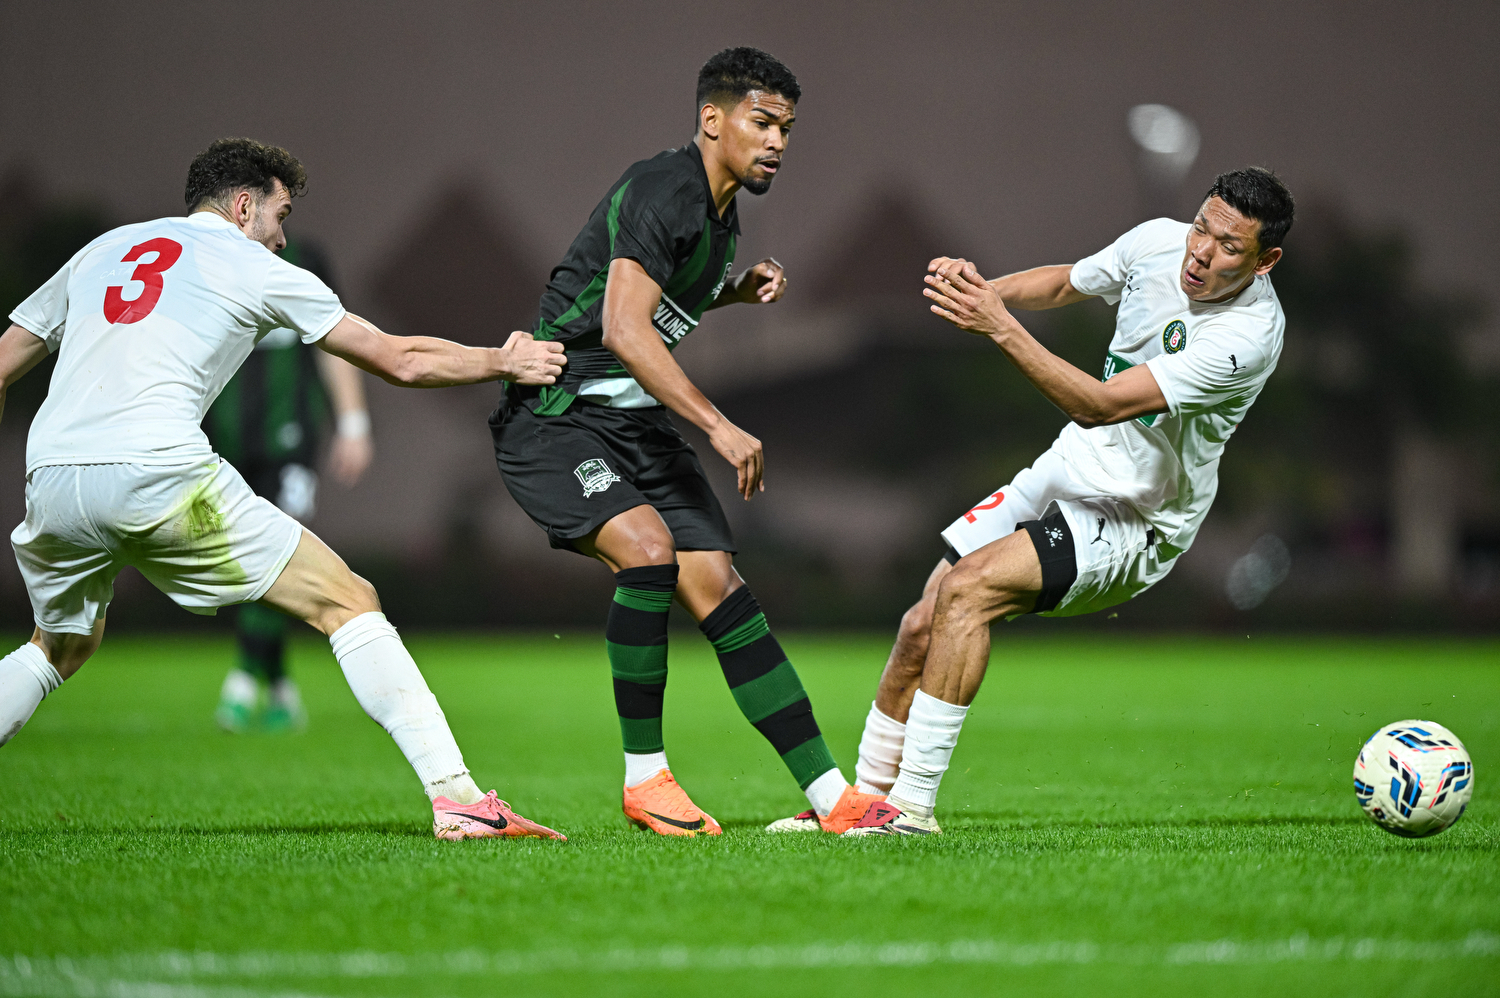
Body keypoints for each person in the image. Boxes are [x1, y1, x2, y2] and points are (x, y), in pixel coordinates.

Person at [0, 137, 569, 842]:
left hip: (52, 476)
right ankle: (459, 801)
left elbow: (3, 364)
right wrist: (503, 361)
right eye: (281, 214)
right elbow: (399, 358)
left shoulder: (104, 249)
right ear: (244, 206)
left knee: (57, 649)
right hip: (157, 470)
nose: (283, 237)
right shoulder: (254, 264)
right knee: (347, 600)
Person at [490, 47, 882, 836]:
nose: (777, 141)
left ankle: (832, 798)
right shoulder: (664, 188)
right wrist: (718, 424)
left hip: (631, 422)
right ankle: (646, 782)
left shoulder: (720, 217)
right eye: (761, 122)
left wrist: (731, 293)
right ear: (712, 119)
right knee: (647, 551)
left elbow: (660, 307)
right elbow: (622, 328)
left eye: (786, 129)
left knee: (720, 587)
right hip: (558, 415)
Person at [834, 167, 1295, 836]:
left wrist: (998, 327)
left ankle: (910, 812)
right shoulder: (1157, 242)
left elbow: (1100, 404)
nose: (1200, 252)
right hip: (1068, 467)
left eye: (1228, 247)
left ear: (1265, 261)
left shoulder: (1246, 338)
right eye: (1201, 228)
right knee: (919, 626)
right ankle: (861, 807)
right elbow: (1065, 282)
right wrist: (985, 293)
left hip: (1138, 517)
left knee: (966, 592)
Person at [208, 237, 374, 733]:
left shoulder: (305, 261)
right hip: (219, 444)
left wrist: (353, 423)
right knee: (241, 564)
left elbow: (334, 341)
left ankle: (242, 680)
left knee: (277, 554)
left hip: (291, 443)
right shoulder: (206, 260)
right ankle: (280, 687)